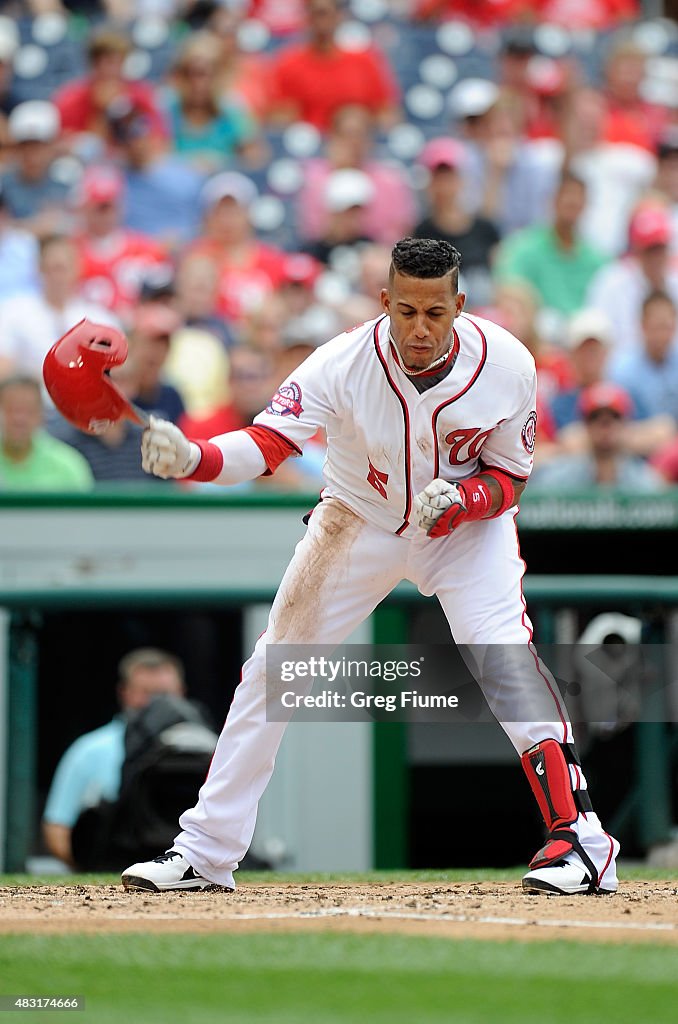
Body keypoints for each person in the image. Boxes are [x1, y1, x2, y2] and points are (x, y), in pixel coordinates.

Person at [122, 237, 619, 897]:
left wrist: (466, 499)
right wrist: (196, 460)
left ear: (459, 306)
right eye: (406, 310)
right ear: (385, 301)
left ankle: (582, 842)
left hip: (466, 530)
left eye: (434, 313)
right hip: (358, 518)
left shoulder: (507, 363)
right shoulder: (341, 362)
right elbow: (270, 442)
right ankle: (206, 853)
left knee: (503, 658)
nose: (419, 328)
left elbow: (510, 477)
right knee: (273, 672)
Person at [42, 649, 186, 868]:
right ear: (124, 692)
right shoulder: (90, 750)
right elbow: (57, 827)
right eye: (146, 693)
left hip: (185, 877)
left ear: (181, 693)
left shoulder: (205, 749)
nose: (156, 703)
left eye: (164, 693)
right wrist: (98, 866)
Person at [266, 0, 401, 131]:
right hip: (311, 144)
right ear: (306, 17)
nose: (321, 21)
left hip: (355, 142)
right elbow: (279, 115)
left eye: (325, 13)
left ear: (339, 16)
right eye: (316, 14)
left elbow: (386, 111)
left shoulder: (364, 61)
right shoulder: (288, 64)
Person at [0, 234, 118, 380]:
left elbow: (116, 369)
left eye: (63, 268)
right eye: (52, 268)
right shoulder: (13, 311)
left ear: (77, 269)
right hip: (35, 393)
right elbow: (3, 366)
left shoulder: (99, 318)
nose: (58, 276)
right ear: (39, 269)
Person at [493, 171, 609, 318]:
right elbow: (509, 285)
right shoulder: (523, 247)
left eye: (578, 199)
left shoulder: (597, 257)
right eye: (567, 197)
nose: (572, 202)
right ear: (553, 200)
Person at [531, 382, 666, 492]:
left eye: (613, 418)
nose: (605, 427)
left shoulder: (644, 480)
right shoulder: (560, 477)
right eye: (595, 418)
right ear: (585, 425)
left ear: (625, 423)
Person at [0, 375, 93, 492]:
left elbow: (83, 509)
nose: (19, 419)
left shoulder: (68, 465)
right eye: (11, 409)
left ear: (42, 415)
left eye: (29, 411)